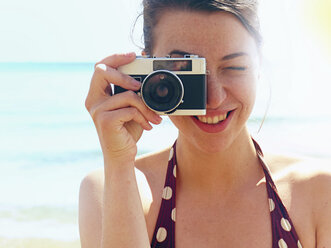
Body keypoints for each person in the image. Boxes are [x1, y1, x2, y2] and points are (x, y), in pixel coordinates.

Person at [79, 0, 331, 247]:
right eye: (185, 70)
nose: (213, 98)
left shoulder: (320, 193)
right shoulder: (108, 190)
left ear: (258, 64)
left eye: (234, 67)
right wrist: (119, 160)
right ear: (150, 71)